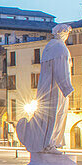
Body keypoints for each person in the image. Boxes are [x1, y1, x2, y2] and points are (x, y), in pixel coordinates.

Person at [16, 24, 74, 154]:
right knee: (56, 115)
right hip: (56, 89)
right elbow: (61, 70)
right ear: (63, 34)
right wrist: (67, 89)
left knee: (46, 116)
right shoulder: (60, 48)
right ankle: (49, 143)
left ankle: (44, 142)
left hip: (46, 88)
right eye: (67, 33)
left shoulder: (49, 48)